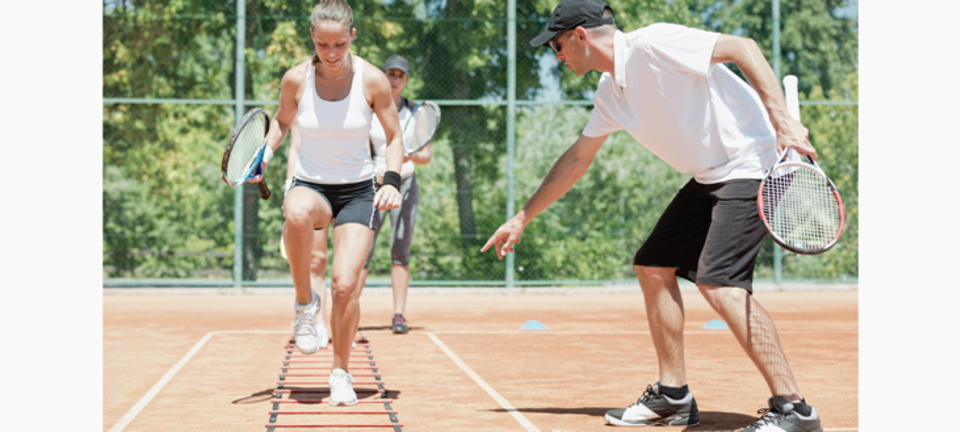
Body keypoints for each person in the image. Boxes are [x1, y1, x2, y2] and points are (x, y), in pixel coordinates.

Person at [481, 1, 823, 431]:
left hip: (755, 164)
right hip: (712, 175)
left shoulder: (654, 44)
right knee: (653, 264)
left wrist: (782, 120)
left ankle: (795, 410)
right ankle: (674, 396)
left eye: (557, 45)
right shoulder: (610, 93)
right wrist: (522, 216)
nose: (558, 56)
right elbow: (577, 158)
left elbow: (743, 46)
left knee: (719, 282)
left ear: (581, 36)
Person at [248, 0, 403, 407]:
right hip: (311, 184)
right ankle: (304, 305)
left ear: (352, 36)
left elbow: (394, 136)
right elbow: (281, 121)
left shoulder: (372, 80)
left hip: (358, 191)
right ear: (312, 39)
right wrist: (263, 154)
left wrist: (391, 179)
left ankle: (341, 373)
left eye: (339, 44)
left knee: (345, 285)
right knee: (296, 213)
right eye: (322, 45)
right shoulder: (296, 79)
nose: (331, 54)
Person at [356, 54, 432, 334]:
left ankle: (399, 315)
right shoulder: (369, 108)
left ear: (406, 80)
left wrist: (408, 154)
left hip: (406, 184)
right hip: (372, 184)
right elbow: (359, 148)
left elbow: (425, 155)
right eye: (391, 74)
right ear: (384, 76)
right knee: (362, 250)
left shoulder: (417, 112)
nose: (395, 79)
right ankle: (350, 310)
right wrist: (372, 174)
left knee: (400, 251)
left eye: (400, 75)